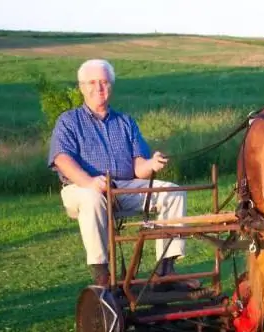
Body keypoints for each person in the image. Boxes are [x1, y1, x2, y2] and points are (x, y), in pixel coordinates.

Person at [48, 58, 197, 288]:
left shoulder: (125, 122)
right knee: (92, 198)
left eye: (104, 82)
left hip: (123, 187)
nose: (99, 87)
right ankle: (102, 274)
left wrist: (151, 163)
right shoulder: (68, 121)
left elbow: (138, 167)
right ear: (81, 87)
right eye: (92, 82)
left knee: (173, 192)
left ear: (111, 86)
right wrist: (89, 181)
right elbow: (61, 159)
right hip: (79, 188)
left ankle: (166, 270)